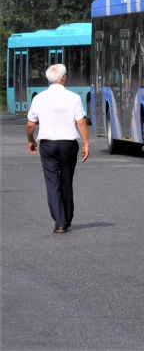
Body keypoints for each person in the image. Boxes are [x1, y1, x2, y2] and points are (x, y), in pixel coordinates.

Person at [25, 63, 91, 234]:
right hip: (68, 145)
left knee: (52, 183)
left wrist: (30, 140)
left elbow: (31, 124)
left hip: (48, 145)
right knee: (66, 181)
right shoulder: (73, 97)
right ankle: (67, 217)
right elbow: (81, 122)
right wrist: (86, 143)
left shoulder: (39, 98)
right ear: (63, 78)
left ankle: (59, 222)